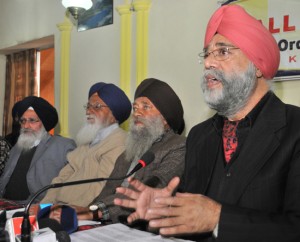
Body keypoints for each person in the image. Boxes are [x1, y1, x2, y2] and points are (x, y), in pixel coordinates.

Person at [114, 5, 300, 242]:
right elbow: (194, 214)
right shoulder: (200, 135)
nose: (208, 64)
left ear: (257, 66)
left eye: (222, 52)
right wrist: (163, 211)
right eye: (207, 54)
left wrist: (219, 219)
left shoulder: (294, 129)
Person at [48, 78, 186, 225]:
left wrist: (96, 213)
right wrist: (88, 210)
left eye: (145, 107)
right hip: (112, 223)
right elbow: (108, 191)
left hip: (147, 227)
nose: (137, 113)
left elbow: (151, 192)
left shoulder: (178, 146)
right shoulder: (130, 149)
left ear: (165, 118)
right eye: (136, 107)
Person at [40, 82, 132, 207]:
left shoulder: (120, 142)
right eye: (88, 106)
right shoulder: (87, 140)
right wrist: (44, 207)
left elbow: (102, 187)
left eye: (97, 106)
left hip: (80, 212)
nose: (89, 111)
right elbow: (60, 179)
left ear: (113, 115)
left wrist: (71, 211)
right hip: (58, 208)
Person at [0, 96, 76, 204]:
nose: (26, 125)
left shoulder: (63, 146)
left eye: (32, 120)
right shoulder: (16, 148)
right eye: (23, 121)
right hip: (7, 207)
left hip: (36, 209)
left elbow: (72, 187)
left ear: (44, 122)